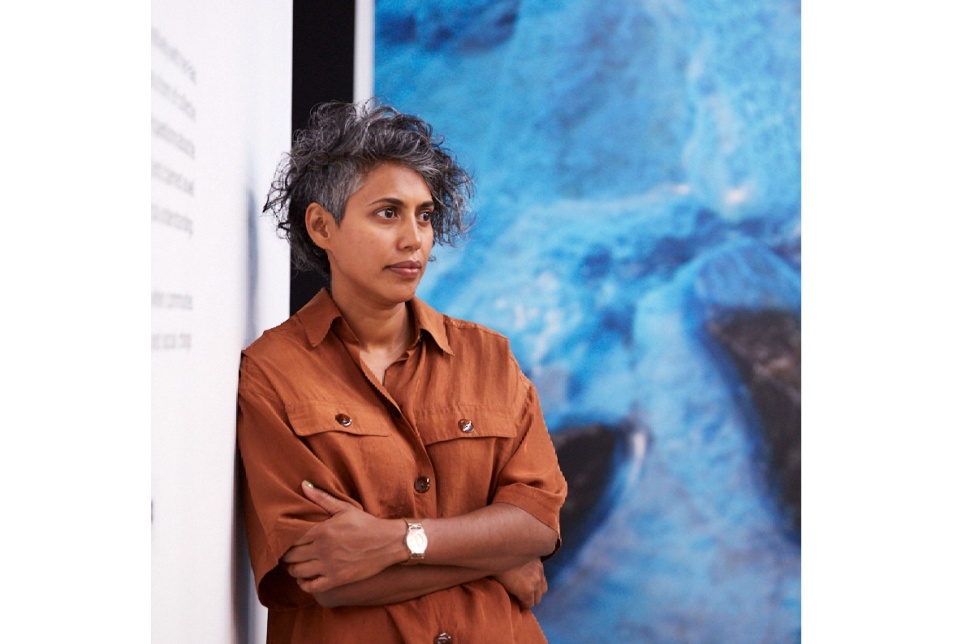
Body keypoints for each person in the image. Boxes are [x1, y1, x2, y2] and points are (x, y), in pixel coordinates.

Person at [237, 100, 568, 643]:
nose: (414, 238)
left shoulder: (490, 359)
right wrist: (491, 559)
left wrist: (397, 542)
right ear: (322, 226)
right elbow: (325, 576)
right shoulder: (274, 373)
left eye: (425, 214)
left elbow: (536, 527)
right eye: (387, 212)